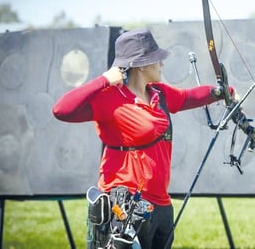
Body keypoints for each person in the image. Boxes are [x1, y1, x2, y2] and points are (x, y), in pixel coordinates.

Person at [52, 28, 234, 249]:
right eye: (156, 59)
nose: (161, 64)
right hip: (124, 205)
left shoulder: (159, 93)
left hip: (161, 205)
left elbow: (188, 97)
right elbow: (61, 110)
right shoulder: (109, 98)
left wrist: (223, 92)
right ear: (142, 63)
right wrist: (104, 80)